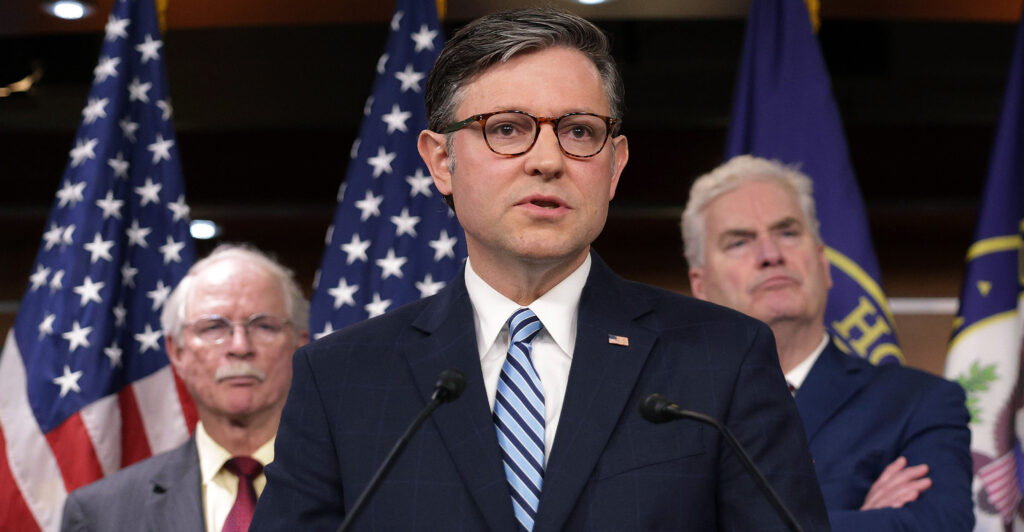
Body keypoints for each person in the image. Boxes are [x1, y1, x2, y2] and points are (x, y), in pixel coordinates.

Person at [251, 8, 829, 531]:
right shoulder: (341, 379)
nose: (548, 161)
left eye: (580, 132)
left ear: (615, 165)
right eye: (506, 129)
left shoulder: (722, 359)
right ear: (440, 161)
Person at [682, 155, 974, 531]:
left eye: (787, 233)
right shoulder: (667, 412)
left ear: (823, 264)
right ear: (700, 286)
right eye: (739, 242)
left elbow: (939, 524)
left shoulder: (919, 402)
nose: (771, 255)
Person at [60, 244, 310, 532]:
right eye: (213, 327)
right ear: (177, 351)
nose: (240, 347)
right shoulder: (100, 514)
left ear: (299, 345)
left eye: (264, 326)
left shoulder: (353, 490)